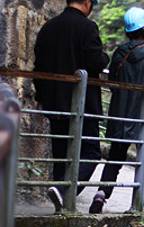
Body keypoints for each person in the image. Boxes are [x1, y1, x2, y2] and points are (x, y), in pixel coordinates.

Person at [33, 0, 109, 214]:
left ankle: (60, 204)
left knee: (62, 155)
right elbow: (96, 61)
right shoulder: (88, 27)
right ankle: (63, 191)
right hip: (82, 105)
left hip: (55, 103)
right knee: (91, 153)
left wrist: (42, 96)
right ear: (87, 2)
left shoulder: (48, 27)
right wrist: (105, 57)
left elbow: (39, 66)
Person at [95, 7, 144, 213]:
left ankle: (101, 194)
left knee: (115, 157)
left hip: (120, 112)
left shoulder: (119, 53)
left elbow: (113, 82)